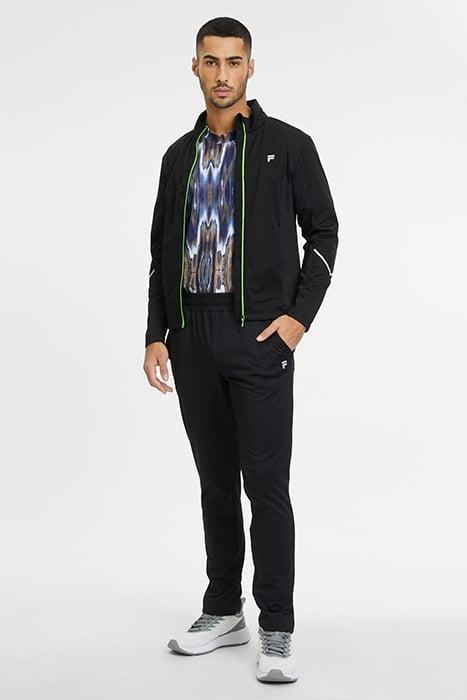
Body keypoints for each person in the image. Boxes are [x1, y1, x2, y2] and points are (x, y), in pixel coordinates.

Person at [143, 16, 339, 684]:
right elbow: (161, 249)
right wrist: (156, 332)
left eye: (233, 62)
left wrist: (297, 319)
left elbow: (323, 232)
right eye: (211, 61)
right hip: (191, 334)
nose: (222, 74)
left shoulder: (287, 146)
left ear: (250, 67)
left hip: (258, 334)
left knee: (266, 485)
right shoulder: (178, 155)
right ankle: (224, 608)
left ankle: (277, 626)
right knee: (214, 481)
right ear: (195, 68)